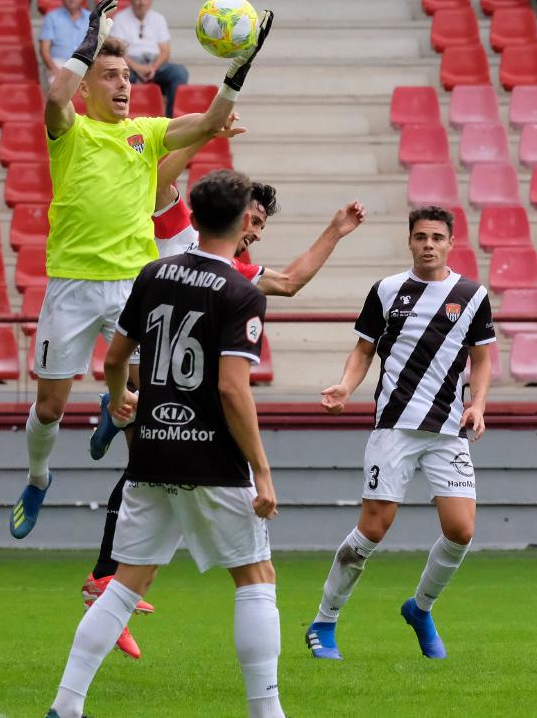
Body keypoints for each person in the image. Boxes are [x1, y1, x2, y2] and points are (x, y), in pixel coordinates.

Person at [83, 140, 365, 658]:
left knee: (145, 480)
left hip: (164, 389)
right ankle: (105, 580)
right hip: (157, 377)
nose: (255, 231)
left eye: (261, 225)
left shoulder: (234, 274)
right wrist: (204, 125)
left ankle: (106, 587)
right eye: (252, 219)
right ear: (232, 214)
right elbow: (158, 177)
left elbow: (292, 280)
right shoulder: (183, 232)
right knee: (250, 571)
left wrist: (336, 231)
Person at [9, 0, 274, 541]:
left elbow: (215, 121)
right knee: (51, 405)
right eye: (109, 76)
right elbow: (55, 95)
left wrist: (237, 69)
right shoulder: (73, 133)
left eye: (127, 76)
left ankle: (140, 480)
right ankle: (38, 478)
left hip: (135, 284)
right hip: (74, 285)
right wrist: (89, 39)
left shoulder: (146, 132)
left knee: (152, 394)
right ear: (88, 87)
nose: (123, 85)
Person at [45, 169, 286, 718]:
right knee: (256, 576)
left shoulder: (154, 273)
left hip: (151, 449)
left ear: (194, 218)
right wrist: (264, 471)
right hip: (213, 456)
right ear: (246, 220)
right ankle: (266, 710)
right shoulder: (242, 291)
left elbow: (113, 360)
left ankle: (67, 703)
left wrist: (119, 398)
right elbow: (231, 387)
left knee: (127, 582)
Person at [305, 206, 495, 661]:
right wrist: (346, 387)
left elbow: (483, 356)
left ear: (451, 243)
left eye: (437, 237)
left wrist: (479, 405)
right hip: (393, 427)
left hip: (448, 431)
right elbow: (363, 349)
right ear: (409, 241)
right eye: (420, 236)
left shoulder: (471, 294)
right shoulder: (387, 290)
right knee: (373, 529)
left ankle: (420, 608)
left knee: (461, 530)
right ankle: (324, 621)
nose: (428, 244)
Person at [110, 0, 188, 117]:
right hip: (129, 63)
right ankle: (123, 117)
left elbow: (165, 51)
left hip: (154, 63)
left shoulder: (158, 18)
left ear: (150, 0)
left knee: (179, 72)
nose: (142, 2)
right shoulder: (120, 18)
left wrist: (153, 67)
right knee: (122, 77)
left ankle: (171, 121)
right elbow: (118, 52)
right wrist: (138, 68)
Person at [39, 0, 90, 86]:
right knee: (59, 88)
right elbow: (44, 50)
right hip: (59, 63)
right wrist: (54, 70)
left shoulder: (92, 18)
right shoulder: (52, 17)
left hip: (86, 64)